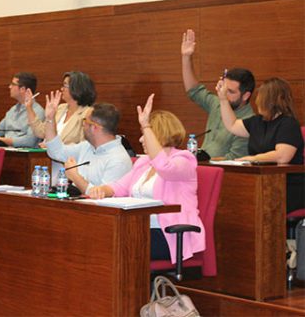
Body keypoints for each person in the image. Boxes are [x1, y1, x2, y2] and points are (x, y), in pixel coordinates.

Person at [91, 95, 205, 265]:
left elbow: (165, 168)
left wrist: (146, 125)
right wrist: (103, 190)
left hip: (168, 234)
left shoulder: (184, 161)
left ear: (158, 135)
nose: (140, 139)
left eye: (145, 134)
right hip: (140, 228)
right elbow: (119, 187)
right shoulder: (144, 162)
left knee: (116, 245)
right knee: (98, 238)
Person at [217, 77, 304, 212]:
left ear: (270, 100)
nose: (257, 101)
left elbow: (282, 156)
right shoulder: (257, 121)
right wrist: (223, 99)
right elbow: (232, 125)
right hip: (260, 181)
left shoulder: (288, 124)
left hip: (286, 186)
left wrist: (252, 158)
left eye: (260, 96)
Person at [181, 29, 255, 159]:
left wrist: (203, 160)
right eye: (224, 89)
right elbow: (194, 91)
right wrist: (186, 57)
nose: (224, 95)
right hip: (200, 166)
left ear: (246, 96)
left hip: (223, 173)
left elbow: (233, 159)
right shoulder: (218, 102)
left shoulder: (249, 122)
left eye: (230, 92)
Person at [44, 91, 132, 195]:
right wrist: (50, 119)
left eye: (85, 121)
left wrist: (75, 176)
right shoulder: (87, 146)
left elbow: (100, 197)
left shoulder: (118, 160)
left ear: (94, 127)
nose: (83, 125)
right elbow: (56, 152)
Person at [27, 71, 96, 144]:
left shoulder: (88, 113)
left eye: (65, 86)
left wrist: (54, 147)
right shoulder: (61, 108)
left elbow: (84, 146)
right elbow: (41, 132)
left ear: (76, 88)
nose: (61, 89)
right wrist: (29, 107)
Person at [0, 72, 44, 147]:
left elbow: (29, 141)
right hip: (8, 153)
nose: (9, 87)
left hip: (24, 156)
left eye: (13, 84)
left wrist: (3, 140)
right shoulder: (13, 110)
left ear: (22, 89)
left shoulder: (37, 111)